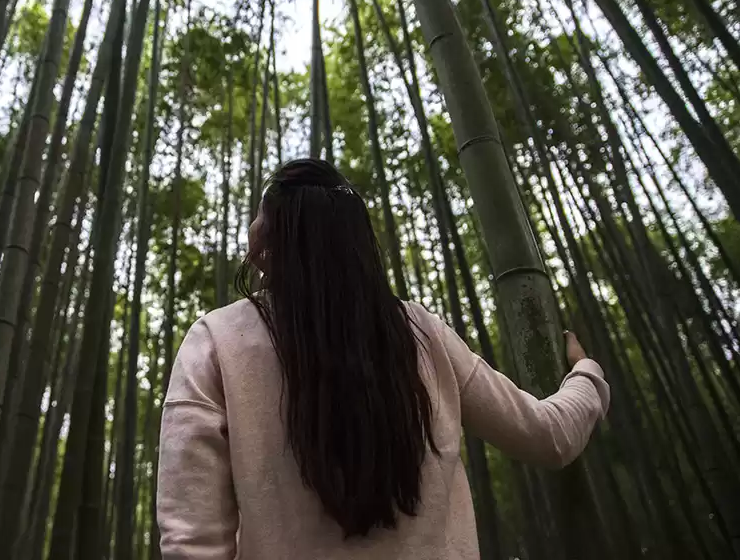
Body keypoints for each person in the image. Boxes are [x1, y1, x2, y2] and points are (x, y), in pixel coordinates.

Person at [156, 158, 610, 559]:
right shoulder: (419, 331)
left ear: (264, 241)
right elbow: (548, 435)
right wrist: (586, 373)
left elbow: (191, 540)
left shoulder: (215, 340)